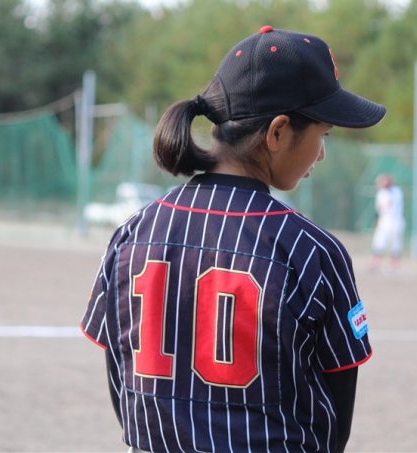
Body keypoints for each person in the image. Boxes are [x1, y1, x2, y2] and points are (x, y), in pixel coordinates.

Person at [81, 25, 385, 453]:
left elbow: (121, 381)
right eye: (324, 134)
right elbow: (335, 415)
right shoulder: (311, 250)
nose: (321, 153)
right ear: (278, 133)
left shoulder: (133, 233)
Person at [370, 173, 405, 270]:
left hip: (396, 222)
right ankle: (375, 263)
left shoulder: (397, 191)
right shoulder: (381, 193)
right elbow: (379, 208)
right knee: (379, 242)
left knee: (395, 244)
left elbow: (390, 204)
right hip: (384, 222)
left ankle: (394, 265)